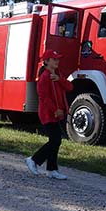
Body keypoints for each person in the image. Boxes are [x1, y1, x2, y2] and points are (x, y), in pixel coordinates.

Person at [25, 49, 73, 180]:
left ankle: (52, 169)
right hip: (48, 114)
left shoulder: (57, 74)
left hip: (58, 113)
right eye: (54, 59)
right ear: (46, 62)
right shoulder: (44, 77)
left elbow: (69, 87)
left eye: (57, 59)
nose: (57, 61)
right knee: (55, 140)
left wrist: (59, 80)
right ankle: (33, 160)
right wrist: (54, 110)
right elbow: (44, 97)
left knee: (56, 141)